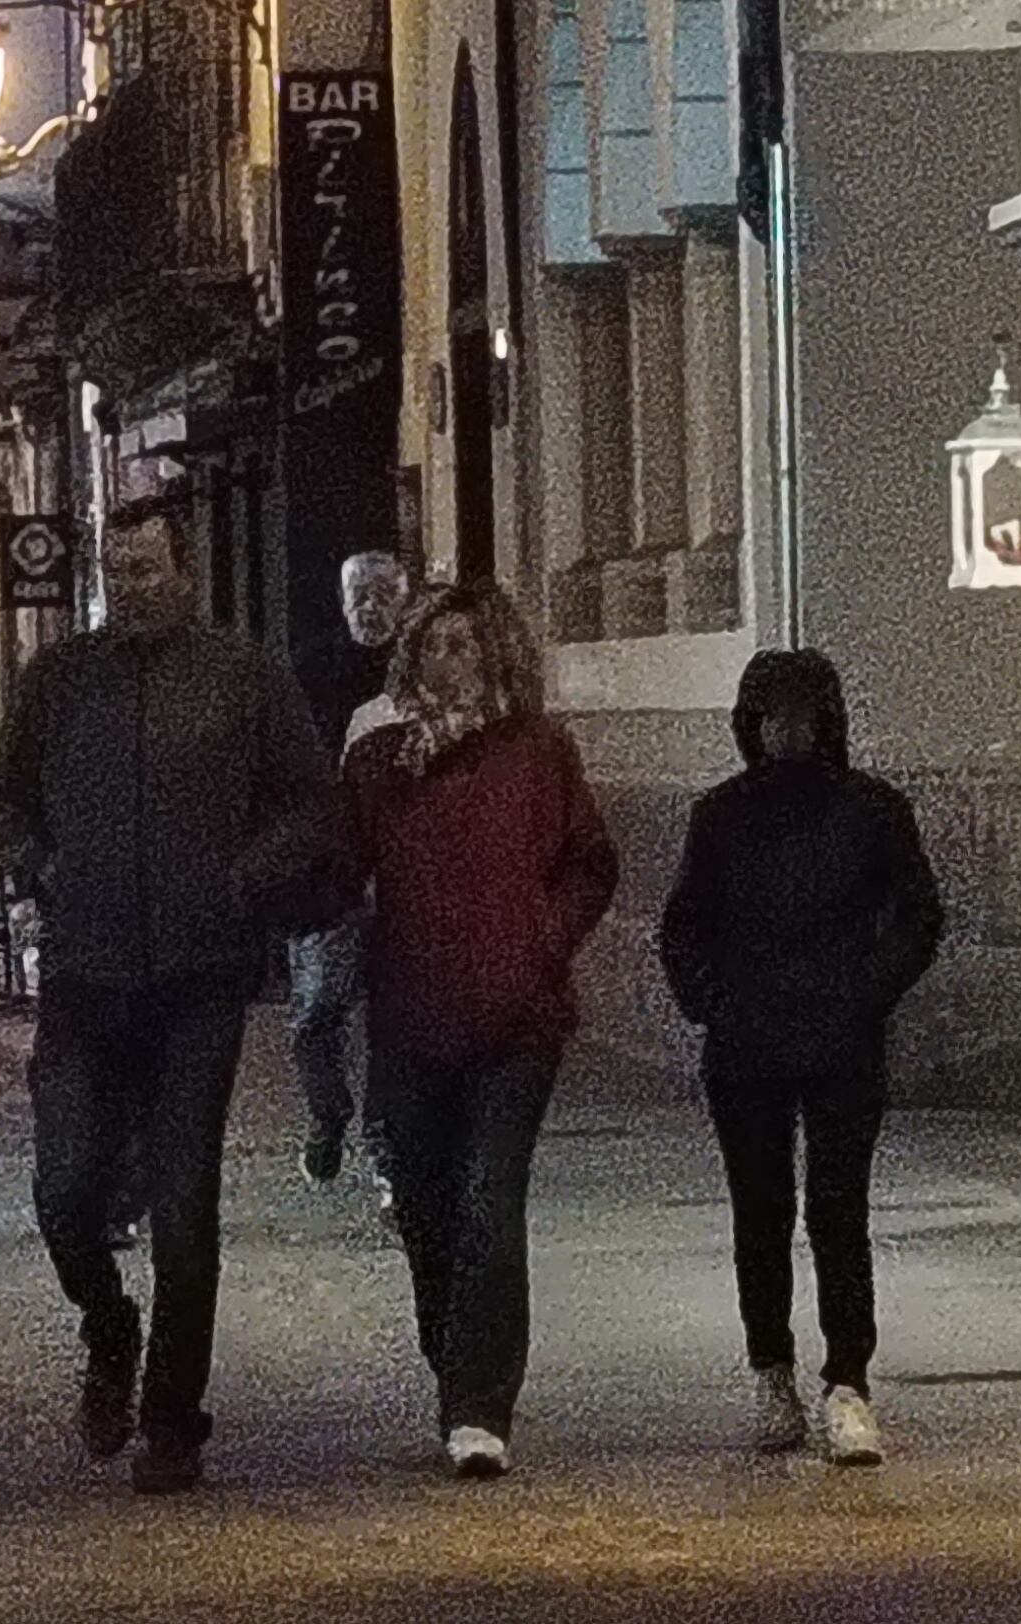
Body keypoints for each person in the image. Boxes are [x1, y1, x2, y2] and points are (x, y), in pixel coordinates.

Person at [0, 506, 343, 1496]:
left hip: (198, 976)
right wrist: (40, 867)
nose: (130, 587)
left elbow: (309, 801)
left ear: (186, 573)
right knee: (65, 1191)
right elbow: (4, 792)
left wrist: (242, 880)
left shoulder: (241, 677)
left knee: (186, 1212)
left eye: (146, 569)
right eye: (116, 571)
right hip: (84, 977)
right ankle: (109, 1326)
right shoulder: (61, 681)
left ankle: (173, 1420)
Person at [345, 577, 618, 1484]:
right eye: (432, 645)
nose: (447, 661)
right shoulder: (382, 764)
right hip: (413, 1018)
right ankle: (454, 1357)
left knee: (489, 1208)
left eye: (465, 644)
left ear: (495, 654)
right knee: (425, 1206)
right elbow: (340, 865)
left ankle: (480, 1405)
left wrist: (541, 938)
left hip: (516, 1019)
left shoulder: (539, 754)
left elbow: (589, 864)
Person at [658, 646, 945, 1470]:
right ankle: (771, 1369)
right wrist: (713, 1002)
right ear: (753, 726)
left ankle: (847, 1378)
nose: (789, 733)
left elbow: (919, 914)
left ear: (827, 722)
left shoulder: (872, 811)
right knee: (761, 1214)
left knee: (838, 1211)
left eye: (802, 717)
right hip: (748, 1046)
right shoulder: (721, 816)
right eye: (773, 718)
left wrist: (866, 991)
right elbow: (684, 925)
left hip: (840, 1040)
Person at [289, 549, 414, 1190]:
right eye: (357, 594)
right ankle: (328, 1113)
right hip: (328, 875)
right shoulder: (311, 672)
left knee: (394, 1017)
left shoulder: (418, 672)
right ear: (341, 603)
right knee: (317, 1010)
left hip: (400, 875)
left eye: (382, 593)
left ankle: (387, 1150)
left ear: (403, 598)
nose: (369, 606)